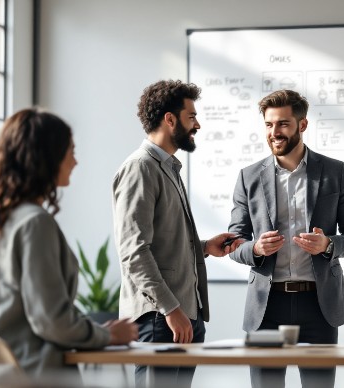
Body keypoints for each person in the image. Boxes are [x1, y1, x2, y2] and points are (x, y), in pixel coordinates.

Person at [0, 108, 138, 376]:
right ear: (48, 157)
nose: (75, 162)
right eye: (71, 151)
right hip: (32, 374)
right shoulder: (35, 223)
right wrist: (108, 336)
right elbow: (51, 323)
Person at [228, 89, 344, 388]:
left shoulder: (335, 172)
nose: (274, 132)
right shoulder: (248, 177)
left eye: (282, 124)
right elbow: (234, 242)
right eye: (268, 124)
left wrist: (329, 244)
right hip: (267, 305)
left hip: (319, 304)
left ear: (302, 125)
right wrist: (254, 248)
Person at [112, 80, 240, 388]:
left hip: (183, 316)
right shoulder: (140, 168)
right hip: (161, 318)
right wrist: (171, 309)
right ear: (170, 119)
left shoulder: (168, 168)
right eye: (191, 116)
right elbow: (134, 252)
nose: (197, 124)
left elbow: (163, 241)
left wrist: (205, 247)